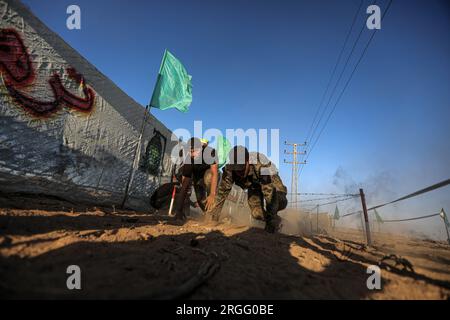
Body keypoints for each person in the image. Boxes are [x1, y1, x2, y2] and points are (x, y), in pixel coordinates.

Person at [208, 146, 288, 233]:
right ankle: (278, 221)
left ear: (248, 162)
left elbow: (269, 193)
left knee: (280, 201)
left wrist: (270, 222)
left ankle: (273, 219)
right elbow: (222, 193)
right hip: (253, 185)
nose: (239, 173)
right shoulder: (229, 170)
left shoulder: (262, 166)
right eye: (236, 170)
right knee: (256, 214)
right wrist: (214, 219)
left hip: (270, 178)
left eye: (241, 169)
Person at [173, 137, 219, 220]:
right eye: (190, 152)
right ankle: (208, 214)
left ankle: (214, 214)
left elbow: (214, 173)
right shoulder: (189, 161)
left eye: (194, 151)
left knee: (209, 177)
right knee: (200, 199)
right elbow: (184, 186)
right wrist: (179, 211)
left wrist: (212, 194)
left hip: (209, 172)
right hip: (198, 175)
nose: (192, 154)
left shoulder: (210, 152)